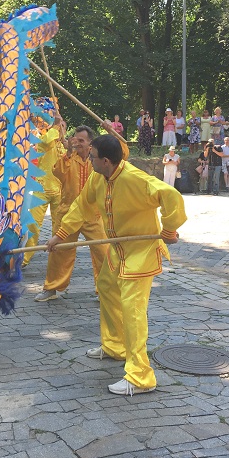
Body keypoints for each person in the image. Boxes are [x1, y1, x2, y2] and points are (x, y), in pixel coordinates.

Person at [45, 134, 186, 396]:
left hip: (141, 253)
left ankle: (141, 377)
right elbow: (82, 205)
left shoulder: (135, 179)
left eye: (93, 157)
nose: (89, 160)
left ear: (106, 161)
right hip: (118, 251)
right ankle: (114, 346)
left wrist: (169, 229)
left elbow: (171, 195)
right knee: (107, 288)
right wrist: (60, 235)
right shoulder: (98, 178)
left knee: (133, 310)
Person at [34, 124, 127, 302]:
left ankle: (106, 290)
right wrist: (68, 153)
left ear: (91, 143)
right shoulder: (68, 157)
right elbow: (57, 172)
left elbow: (121, 155)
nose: (77, 143)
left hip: (94, 214)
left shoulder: (98, 160)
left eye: (81, 140)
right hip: (68, 213)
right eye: (75, 139)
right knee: (59, 251)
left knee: (104, 252)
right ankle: (51, 288)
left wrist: (111, 131)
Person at [23, 116, 66, 265]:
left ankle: (57, 258)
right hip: (41, 189)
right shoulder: (44, 141)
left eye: (63, 127)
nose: (60, 129)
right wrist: (55, 126)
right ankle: (24, 258)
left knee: (59, 227)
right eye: (59, 127)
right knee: (33, 224)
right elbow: (45, 143)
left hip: (60, 192)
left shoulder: (65, 147)